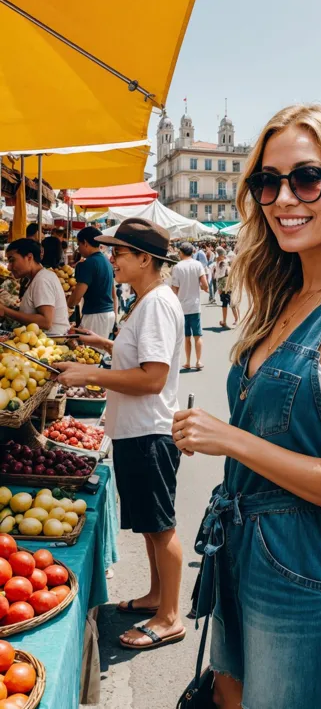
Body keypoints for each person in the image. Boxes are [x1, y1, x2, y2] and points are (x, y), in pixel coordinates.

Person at [172, 104, 321, 708]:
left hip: (308, 571)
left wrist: (230, 440)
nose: (283, 198)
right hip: (241, 549)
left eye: (306, 178)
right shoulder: (286, 295)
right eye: (266, 182)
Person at [56, 217, 186, 651]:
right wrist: (104, 346)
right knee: (151, 527)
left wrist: (90, 372)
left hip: (150, 431)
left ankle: (169, 616)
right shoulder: (148, 301)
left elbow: (151, 378)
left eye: (121, 253)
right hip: (137, 429)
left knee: (161, 527)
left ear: (145, 259)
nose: (113, 259)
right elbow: (143, 359)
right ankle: (155, 596)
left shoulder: (155, 304)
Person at [2, 238, 69, 334]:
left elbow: (45, 322)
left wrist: (5, 311)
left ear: (29, 257)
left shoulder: (42, 280)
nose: (8, 267)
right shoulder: (38, 278)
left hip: (51, 342)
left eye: (12, 260)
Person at [66, 226, 117, 340]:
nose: (78, 249)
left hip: (95, 316)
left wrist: (67, 305)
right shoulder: (107, 262)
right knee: (99, 353)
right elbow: (114, 295)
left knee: (89, 353)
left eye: (79, 245)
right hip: (109, 315)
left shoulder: (88, 264)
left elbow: (76, 298)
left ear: (85, 243)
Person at [171, 242, 208, 370]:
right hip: (195, 305)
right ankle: (198, 361)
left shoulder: (177, 267)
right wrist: (203, 287)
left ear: (181, 252)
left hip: (181, 307)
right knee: (197, 335)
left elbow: (174, 289)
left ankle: (187, 361)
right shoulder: (198, 265)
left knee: (186, 337)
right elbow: (205, 284)